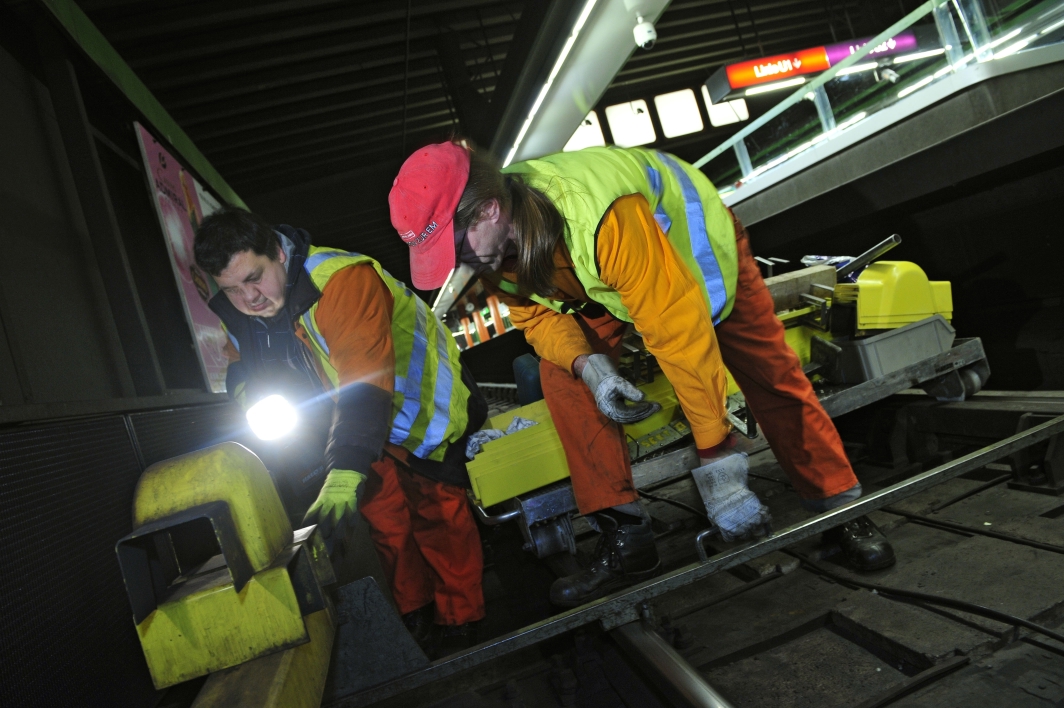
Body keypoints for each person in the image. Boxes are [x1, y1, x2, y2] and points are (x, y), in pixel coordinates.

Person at [388, 142, 895, 607]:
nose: (458, 267)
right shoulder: (490, 249)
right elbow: (537, 318)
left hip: (693, 247)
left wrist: (718, 463)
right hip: (607, 280)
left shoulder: (600, 213)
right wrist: (591, 369)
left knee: (768, 372)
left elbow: (677, 330)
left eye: (456, 248)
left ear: (490, 210)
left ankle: (841, 511)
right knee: (562, 379)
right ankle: (627, 538)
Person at [194, 207, 487, 653]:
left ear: (278, 251)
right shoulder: (243, 311)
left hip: (418, 412)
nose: (248, 298)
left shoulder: (340, 281)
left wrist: (345, 468)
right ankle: (416, 613)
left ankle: (462, 618)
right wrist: (249, 397)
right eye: (231, 289)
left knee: (437, 513)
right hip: (355, 427)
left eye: (254, 278)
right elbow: (240, 366)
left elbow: (363, 381)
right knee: (385, 521)